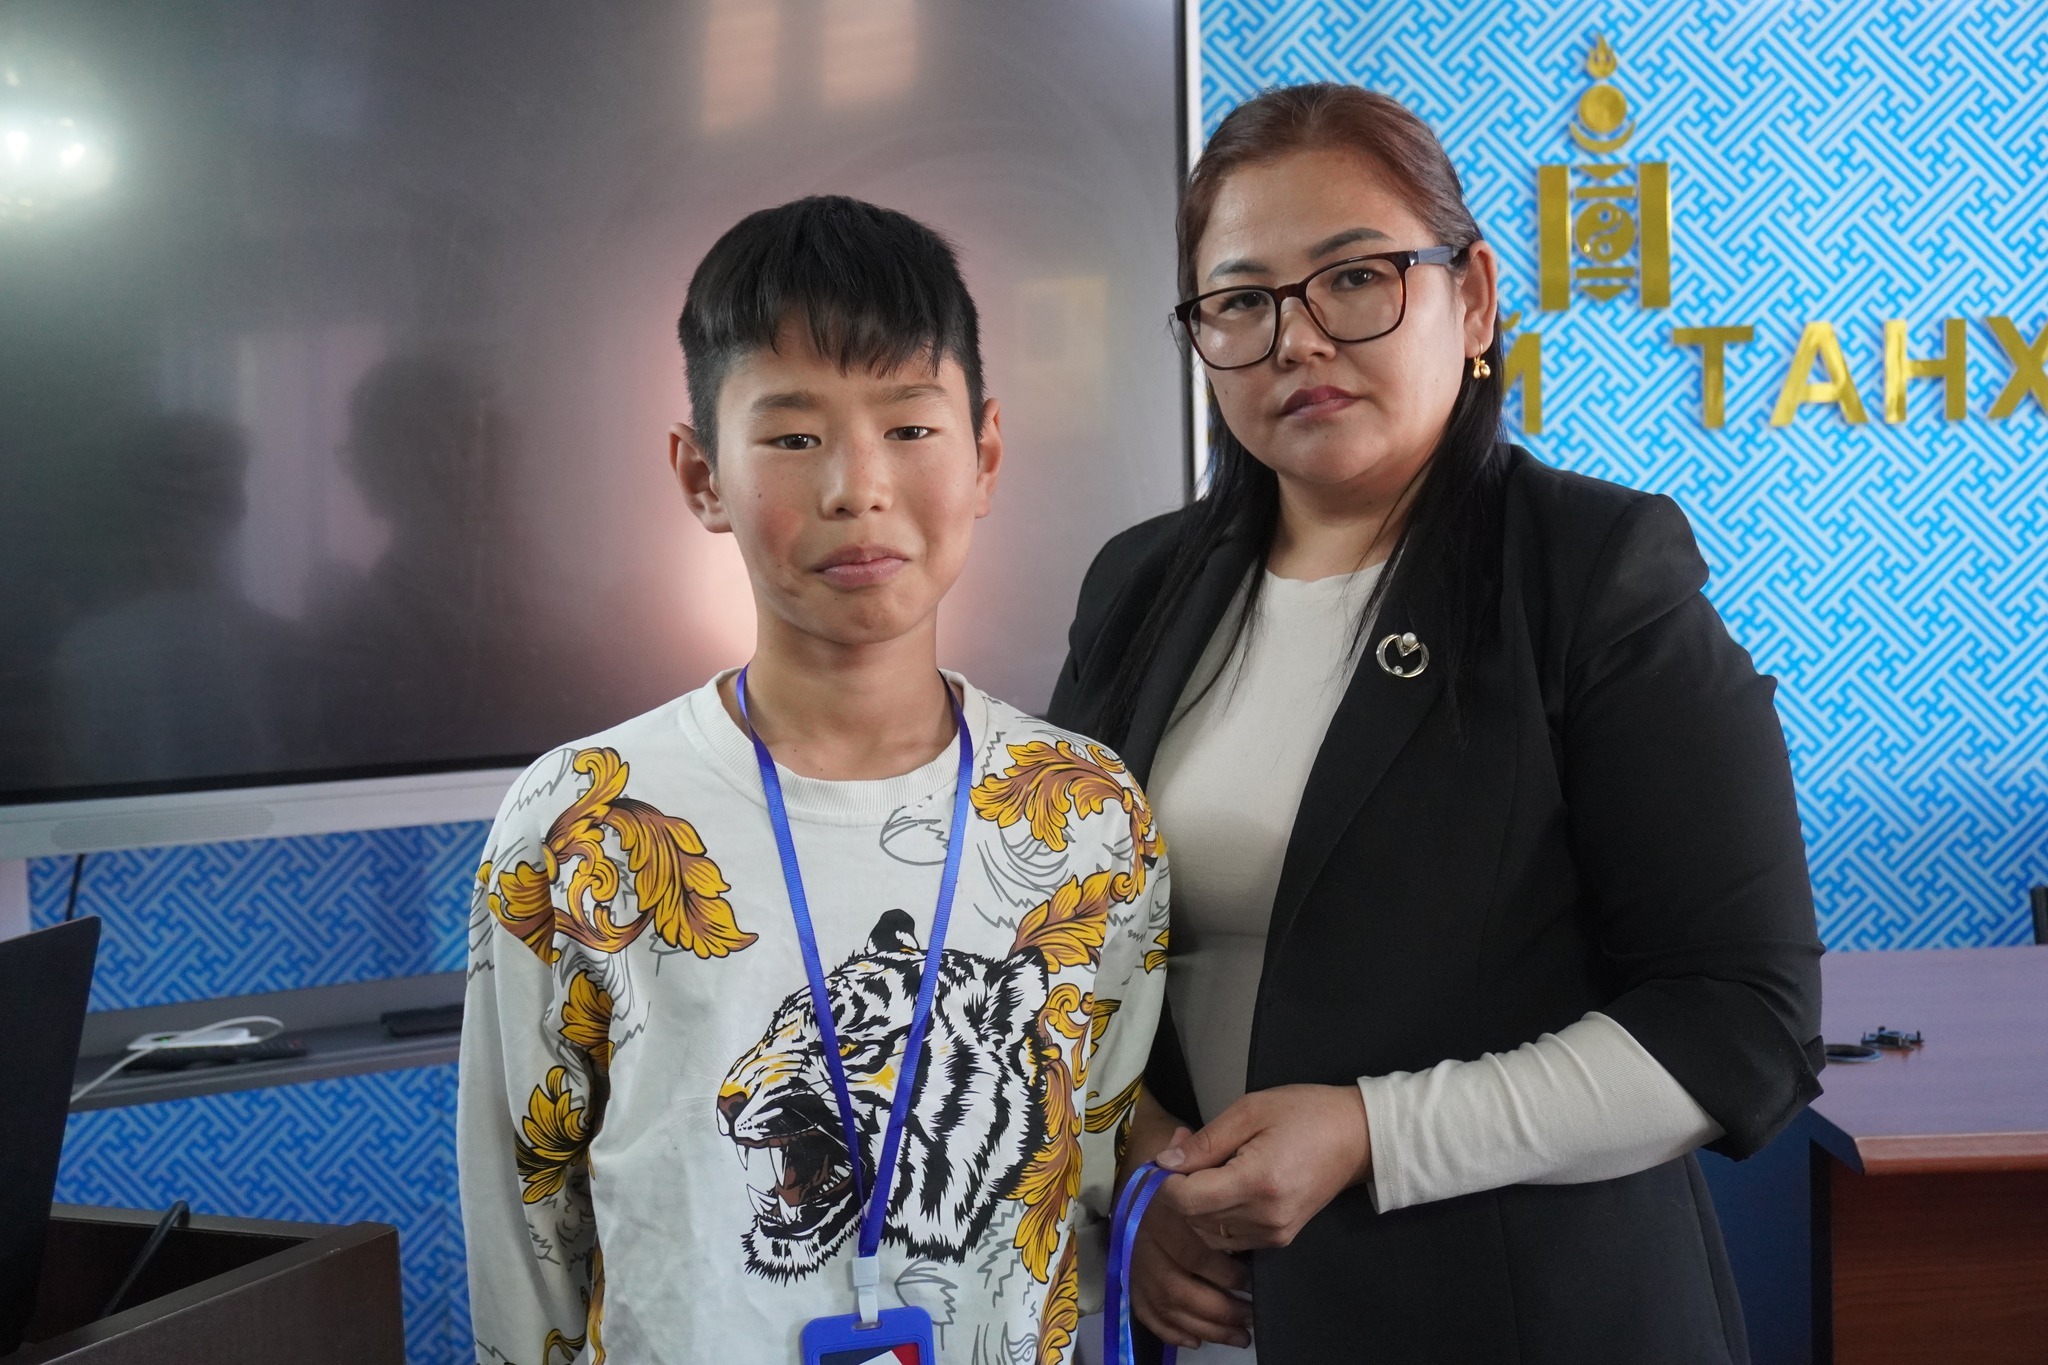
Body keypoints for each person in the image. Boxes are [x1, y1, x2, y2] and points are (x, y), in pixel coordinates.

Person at [1048, 85, 1822, 1364]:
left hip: (1519, 1316)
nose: (1296, 339)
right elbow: (1051, 946)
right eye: (1240, 301)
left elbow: (1741, 1018)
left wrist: (1371, 1133)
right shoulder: (1139, 584)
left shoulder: (1589, 570)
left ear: (1471, 297)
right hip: (1210, 1324)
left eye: (1353, 278)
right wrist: (1131, 1172)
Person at [458, 195, 1170, 1365]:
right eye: (792, 438)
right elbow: (522, 1224)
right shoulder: (582, 820)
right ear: (700, 475)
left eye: (910, 426)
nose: (856, 485)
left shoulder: (1085, 815)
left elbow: (1082, 1180)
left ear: (985, 454)